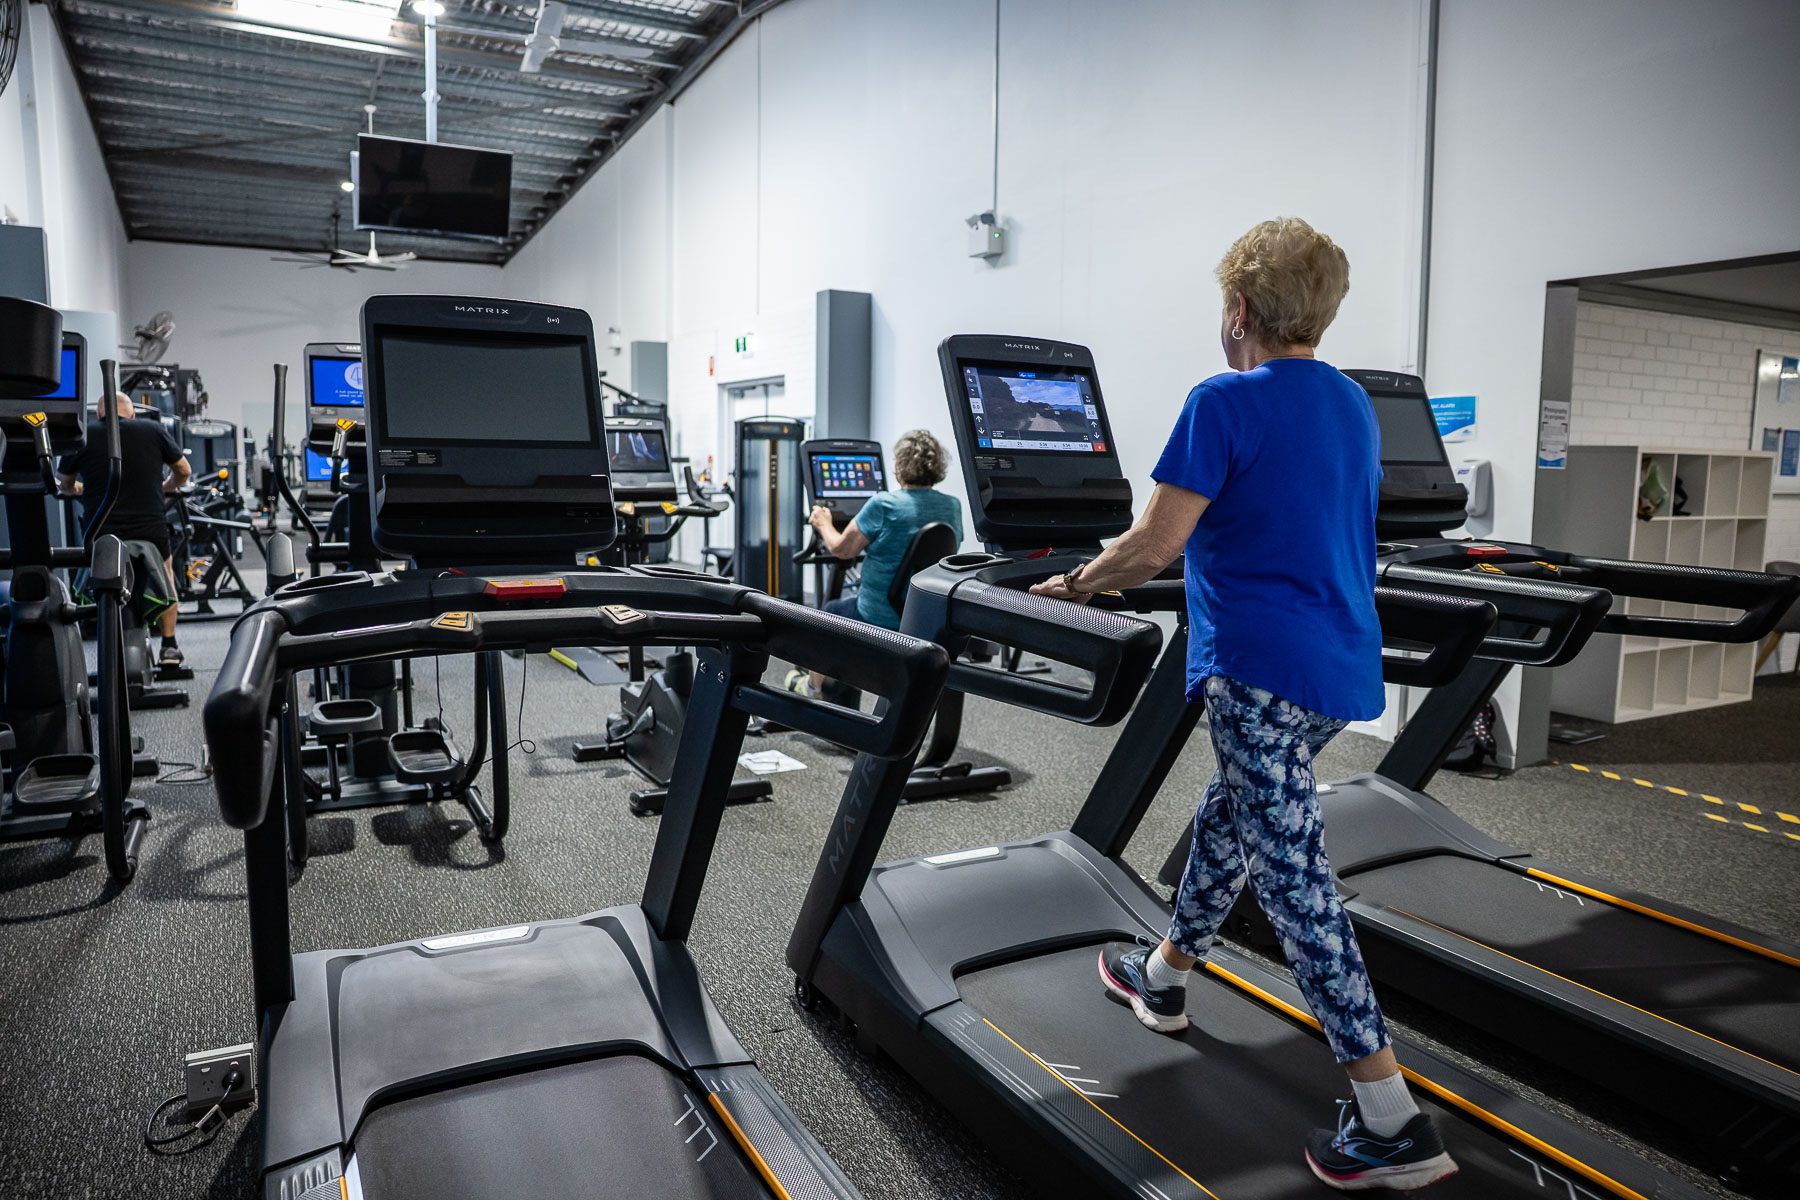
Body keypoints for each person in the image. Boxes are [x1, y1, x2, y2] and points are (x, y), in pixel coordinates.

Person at [1030, 217, 1457, 1191]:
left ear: (1238, 312)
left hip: (1257, 672)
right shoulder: (1350, 403)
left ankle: (1388, 1113)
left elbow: (1156, 544)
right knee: (1235, 815)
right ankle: (1166, 979)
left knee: (1296, 878)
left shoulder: (1220, 400)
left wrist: (1078, 586)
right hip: (1342, 672)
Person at [785, 429, 964, 698]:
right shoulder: (952, 506)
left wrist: (823, 523)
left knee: (830, 612)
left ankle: (811, 687)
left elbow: (842, 550)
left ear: (900, 466)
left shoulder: (883, 504)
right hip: (923, 614)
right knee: (846, 607)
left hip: (878, 615)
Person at [56, 391, 192, 668]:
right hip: (149, 530)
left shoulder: (85, 434)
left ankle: (100, 640)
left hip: (102, 531)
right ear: (131, 414)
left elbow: (64, 482)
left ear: (99, 414)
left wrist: (77, 489)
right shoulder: (153, 429)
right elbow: (184, 471)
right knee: (166, 575)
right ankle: (169, 646)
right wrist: (167, 486)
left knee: (100, 579)